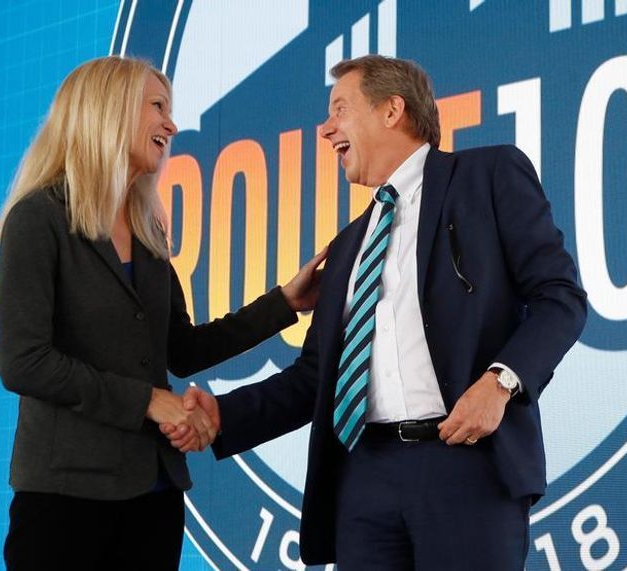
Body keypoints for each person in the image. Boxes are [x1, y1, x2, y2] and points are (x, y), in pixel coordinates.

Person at [168, 55, 587, 569]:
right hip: (362, 478)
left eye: (340, 110)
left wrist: (499, 382)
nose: (325, 130)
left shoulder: (488, 175)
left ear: (393, 110)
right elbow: (315, 378)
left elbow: (560, 297)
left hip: (466, 463)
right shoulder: (347, 247)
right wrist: (223, 414)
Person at [0, 56, 325, 570]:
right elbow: (24, 361)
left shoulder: (148, 230)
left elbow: (184, 349)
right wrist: (149, 401)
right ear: (109, 111)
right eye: (157, 107)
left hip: (155, 494)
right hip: (65, 498)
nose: (171, 124)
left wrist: (285, 303)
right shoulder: (38, 219)